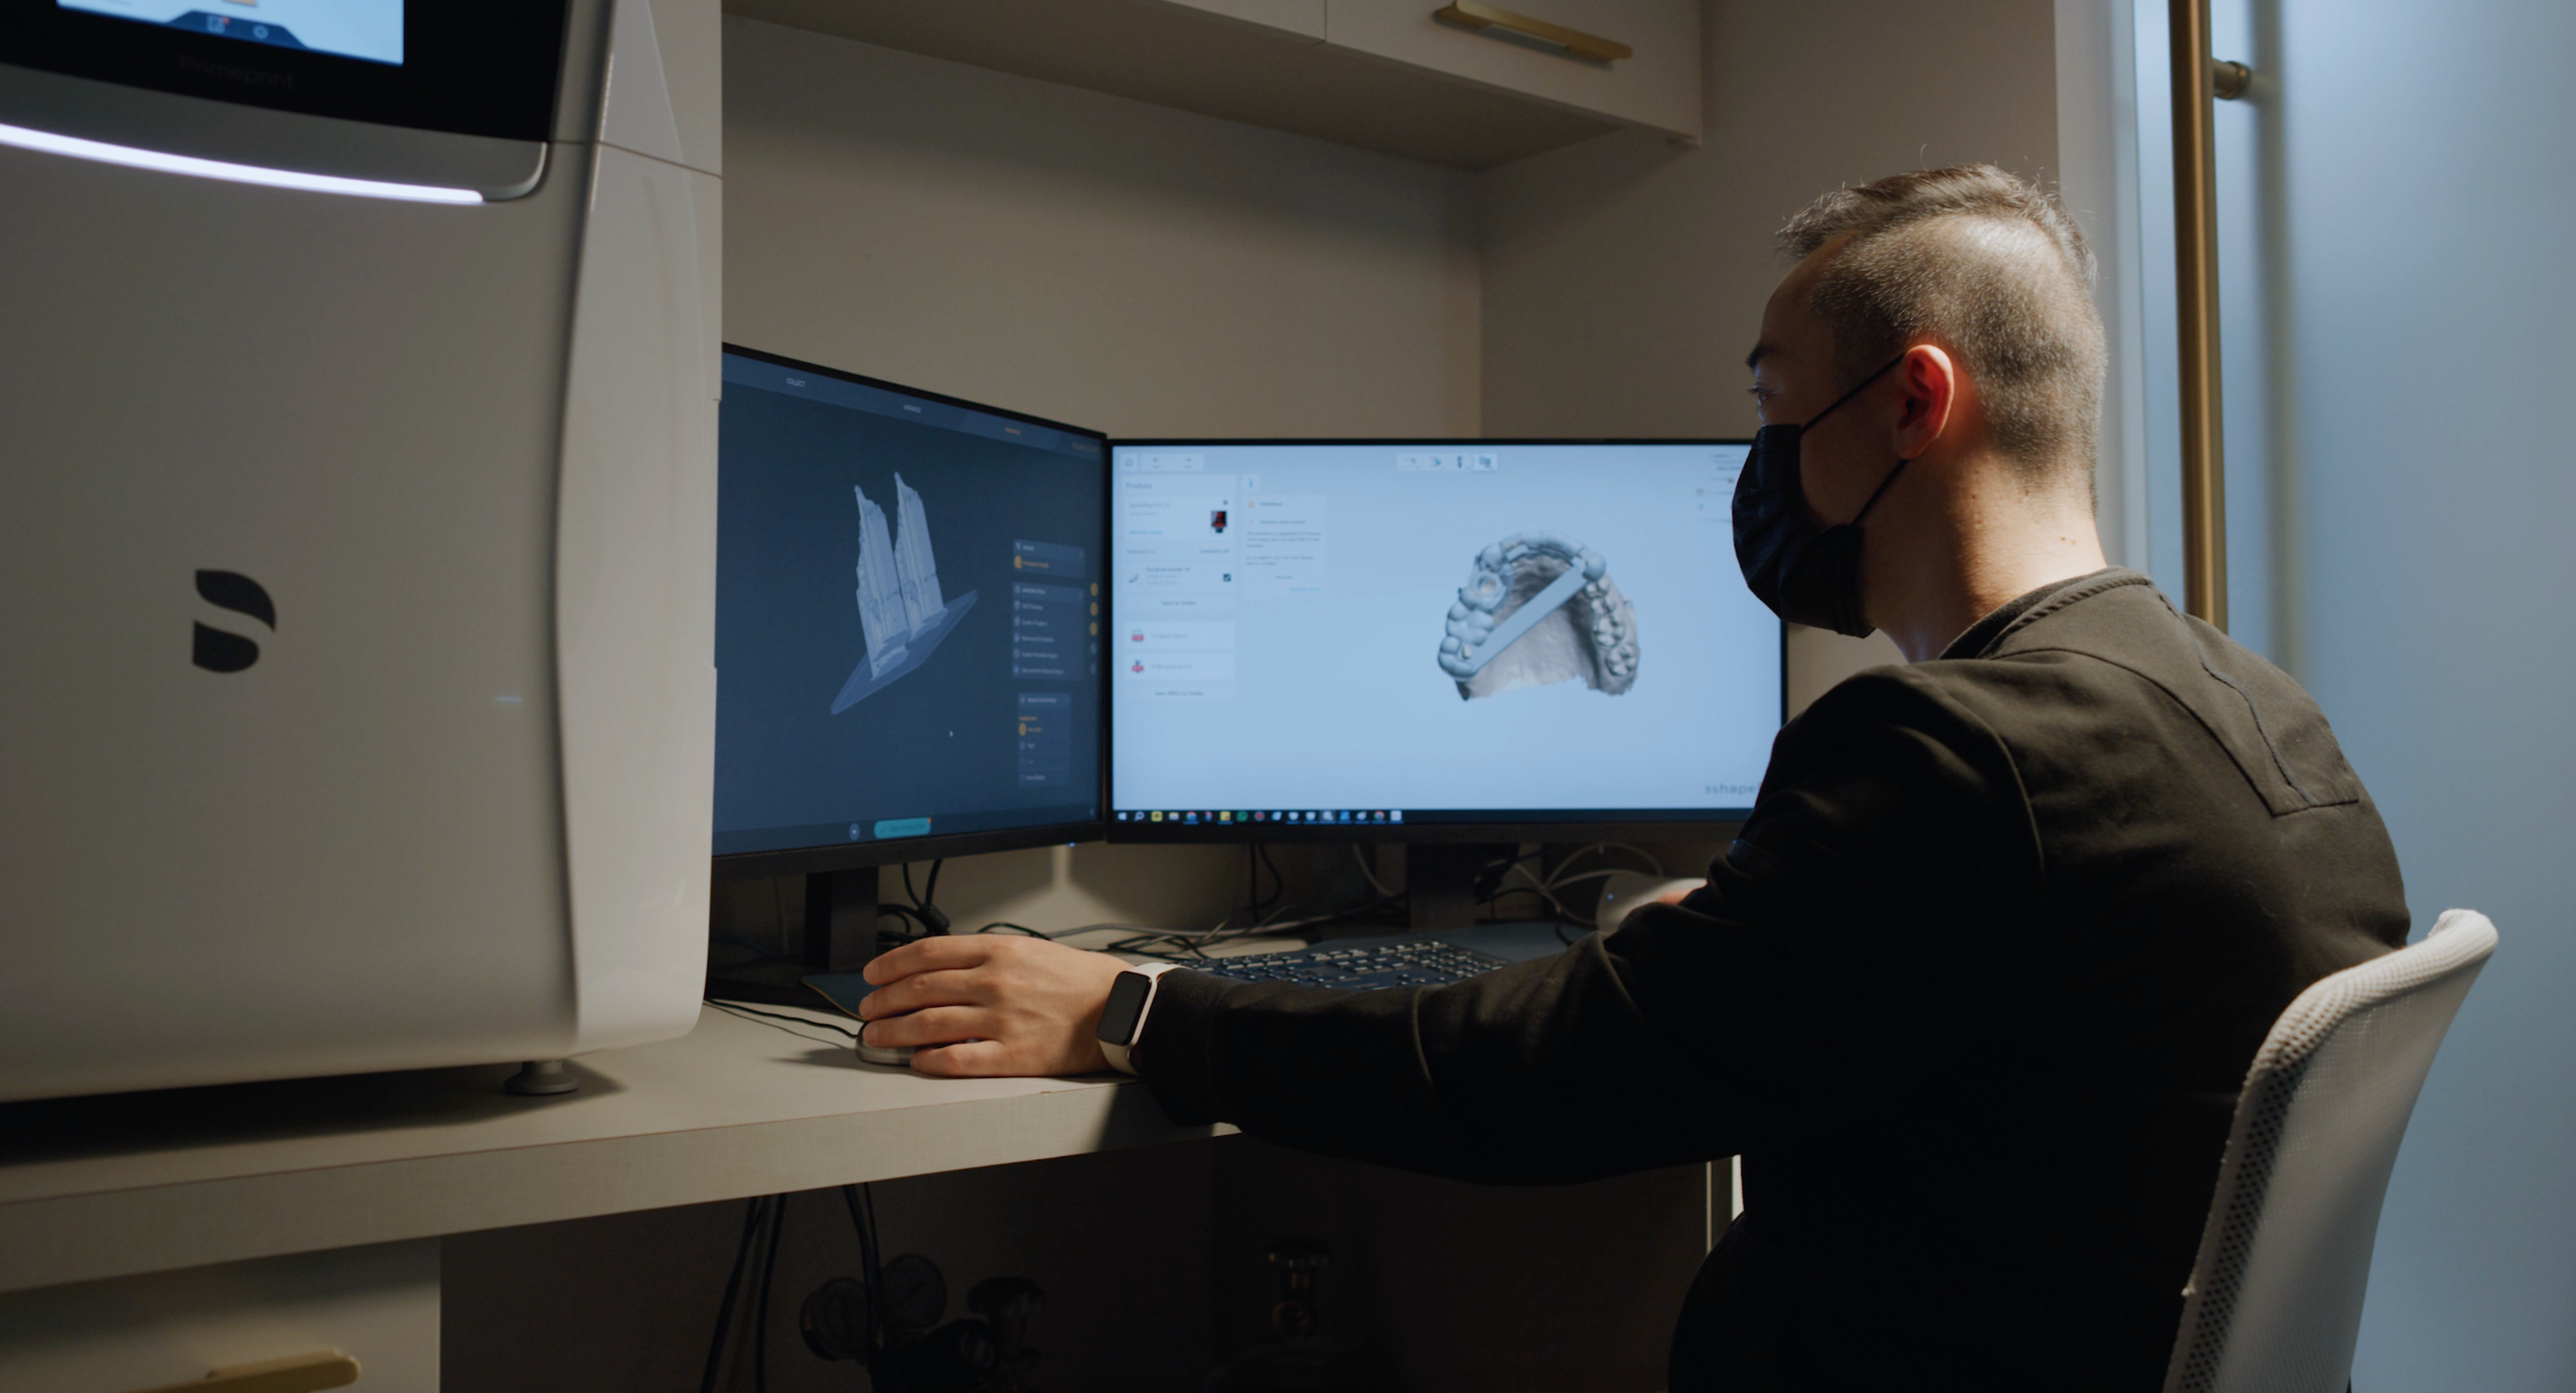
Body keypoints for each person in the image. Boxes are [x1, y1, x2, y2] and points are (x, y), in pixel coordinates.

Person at [854, 165, 2408, 1391]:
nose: (1763, 452)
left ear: (1913, 404)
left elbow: (1563, 1076)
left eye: (1772, 403)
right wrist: (1749, 931)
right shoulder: (2258, 709)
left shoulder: (1952, 753)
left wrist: (1135, 1008)